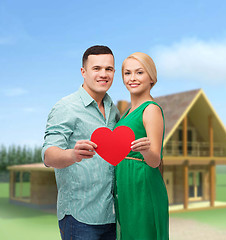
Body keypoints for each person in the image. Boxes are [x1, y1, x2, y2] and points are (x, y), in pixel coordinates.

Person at [41, 45, 120, 240]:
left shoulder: (114, 110)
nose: (103, 74)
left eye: (108, 69)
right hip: (79, 217)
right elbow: (48, 155)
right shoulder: (66, 107)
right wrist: (73, 155)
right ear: (83, 72)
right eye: (96, 69)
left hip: (111, 216)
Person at [114, 52, 169, 239]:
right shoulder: (128, 112)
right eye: (127, 73)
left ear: (151, 77)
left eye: (139, 72)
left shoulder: (151, 109)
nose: (132, 78)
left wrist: (146, 150)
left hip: (143, 186)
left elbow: (155, 161)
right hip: (127, 185)